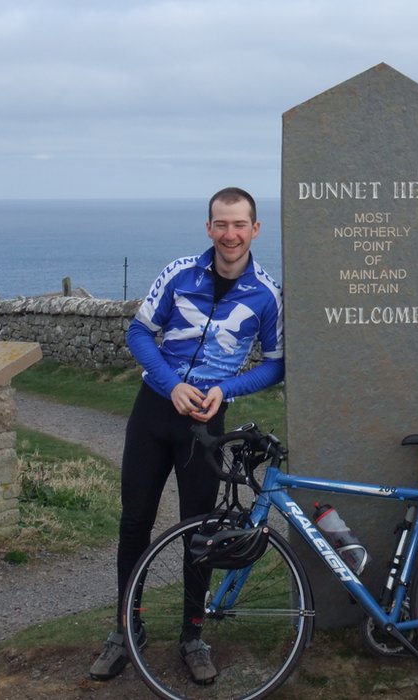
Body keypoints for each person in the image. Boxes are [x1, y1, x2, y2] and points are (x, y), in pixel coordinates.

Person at [89, 187, 284, 684]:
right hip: (154, 412)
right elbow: (139, 333)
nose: (230, 234)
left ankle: (192, 636)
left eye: (240, 224)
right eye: (221, 224)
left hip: (207, 424)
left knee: (200, 532)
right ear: (209, 228)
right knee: (135, 522)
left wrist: (226, 389)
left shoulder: (266, 293)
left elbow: (276, 364)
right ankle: (123, 630)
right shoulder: (179, 273)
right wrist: (171, 384)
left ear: (255, 229)